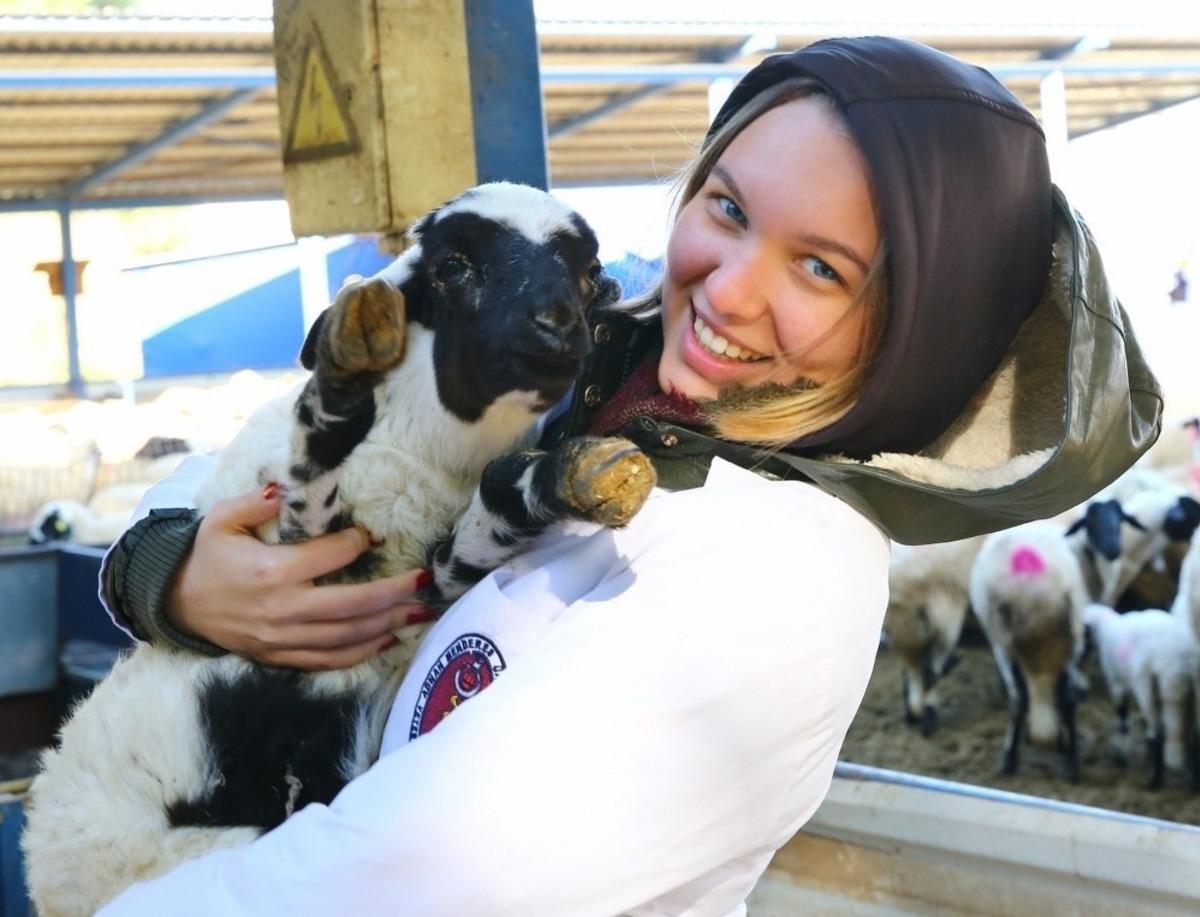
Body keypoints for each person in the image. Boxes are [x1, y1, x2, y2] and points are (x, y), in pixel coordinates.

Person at [96, 37, 1159, 916]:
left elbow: (406, 879)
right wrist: (173, 574)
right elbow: (247, 464)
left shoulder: (779, 566)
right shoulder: (597, 379)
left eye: (821, 267)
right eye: (729, 207)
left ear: (917, 331)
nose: (728, 289)